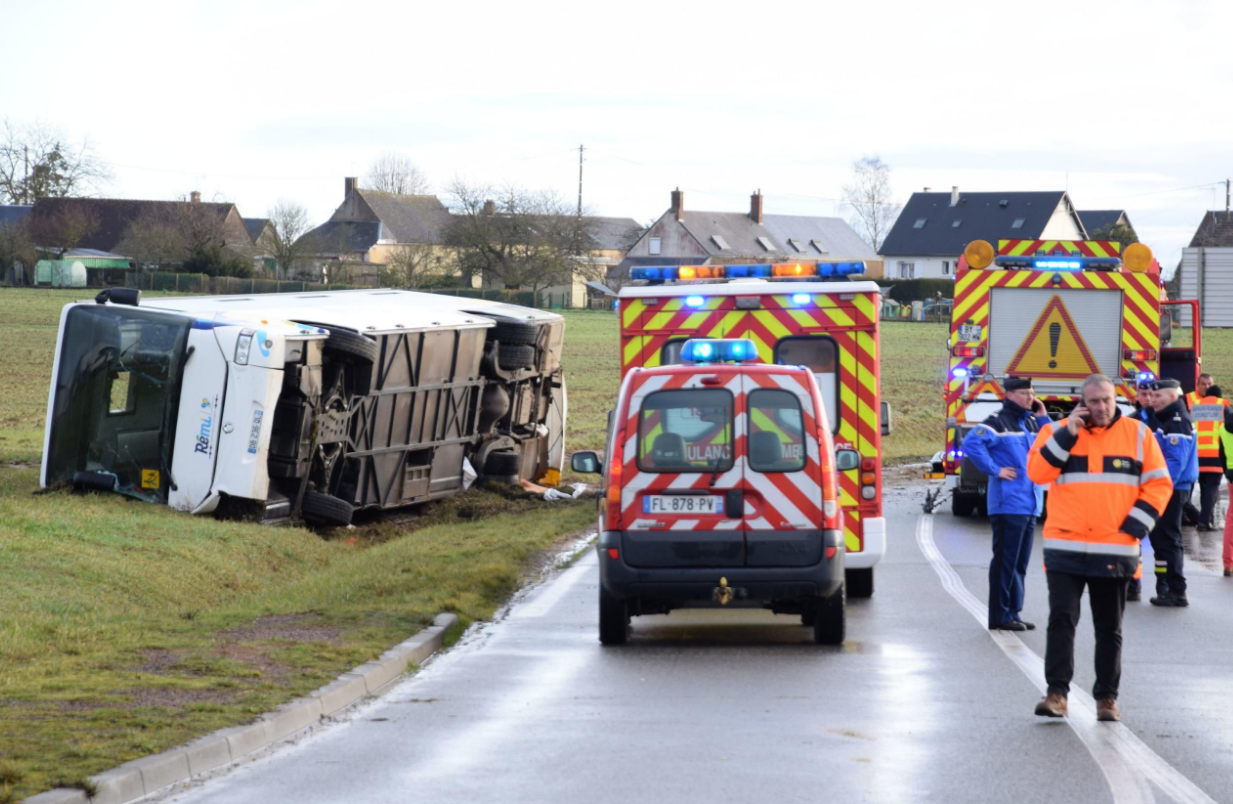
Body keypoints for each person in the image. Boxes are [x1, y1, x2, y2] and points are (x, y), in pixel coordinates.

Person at [1027, 374, 1172, 722]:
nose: (1101, 407)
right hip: (1066, 547)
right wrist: (1067, 435)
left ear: (1115, 398)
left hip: (1116, 548)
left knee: (1109, 627)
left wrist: (1135, 528)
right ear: (1082, 403)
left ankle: (1107, 698)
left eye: (1107, 400)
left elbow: (1159, 485)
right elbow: (1037, 473)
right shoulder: (1056, 432)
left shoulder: (1139, 435)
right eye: (1094, 401)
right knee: (1062, 619)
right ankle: (1056, 694)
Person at [962, 377, 1050, 632]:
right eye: (1024, 393)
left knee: (1020, 563)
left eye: (1032, 393)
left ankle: (1013, 612)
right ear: (1010, 395)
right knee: (1005, 562)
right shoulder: (997, 422)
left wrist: (1043, 417)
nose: (1030, 398)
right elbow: (971, 443)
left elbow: (1052, 443)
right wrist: (995, 470)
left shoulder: (1032, 422)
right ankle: (1000, 615)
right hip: (1008, 503)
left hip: (1031, 502)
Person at [1143, 379, 1198, 607]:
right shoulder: (1167, 420)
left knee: (1169, 539)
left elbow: (1174, 461)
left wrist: (1159, 490)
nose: (1152, 400)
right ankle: (1164, 585)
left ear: (1173, 397)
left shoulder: (1176, 422)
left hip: (1171, 489)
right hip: (1167, 488)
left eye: (1158, 397)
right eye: (1151, 396)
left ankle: (1177, 590)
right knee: (1161, 540)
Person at [1192, 385, 1229, 531]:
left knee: (1204, 488)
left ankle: (1208, 520)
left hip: (1197, 456)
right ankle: (1204, 521)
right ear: (1218, 396)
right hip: (1215, 455)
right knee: (1213, 489)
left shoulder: (1195, 407)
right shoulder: (1222, 406)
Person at [1218, 406, 1233, 578]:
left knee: (1231, 519)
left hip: (1231, 475)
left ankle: (1228, 563)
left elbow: (1221, 454)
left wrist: (1227, 472)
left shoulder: (1223, 427)